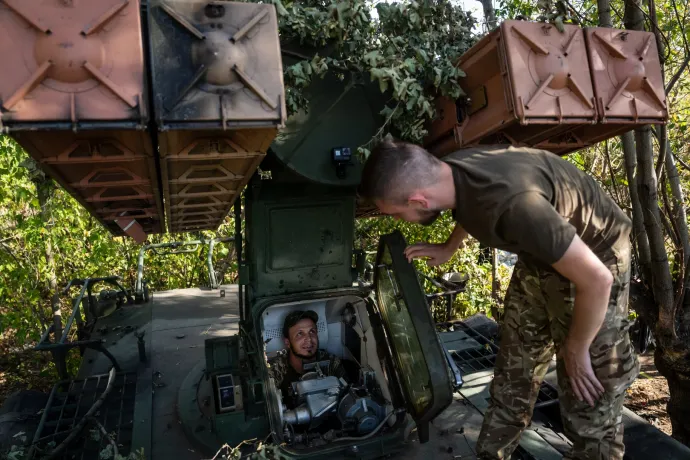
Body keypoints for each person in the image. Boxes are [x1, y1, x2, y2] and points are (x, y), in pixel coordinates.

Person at [357, 139, 640, 460]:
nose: (397, 220)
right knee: (513, 374)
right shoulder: (448, 174)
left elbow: (598, 280)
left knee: (588, 394)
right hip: (542, 254)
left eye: (396, 213)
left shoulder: (516, 207)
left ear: (418, 200)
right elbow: (471, 205)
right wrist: (449, 246)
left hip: (594, 258)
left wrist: (576, 348)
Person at [267, 310, 347, 402]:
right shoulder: (276, 369)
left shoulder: (331, 362)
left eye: (312, 331)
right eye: (300, 334)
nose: (309, 339)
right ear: (287, 342)